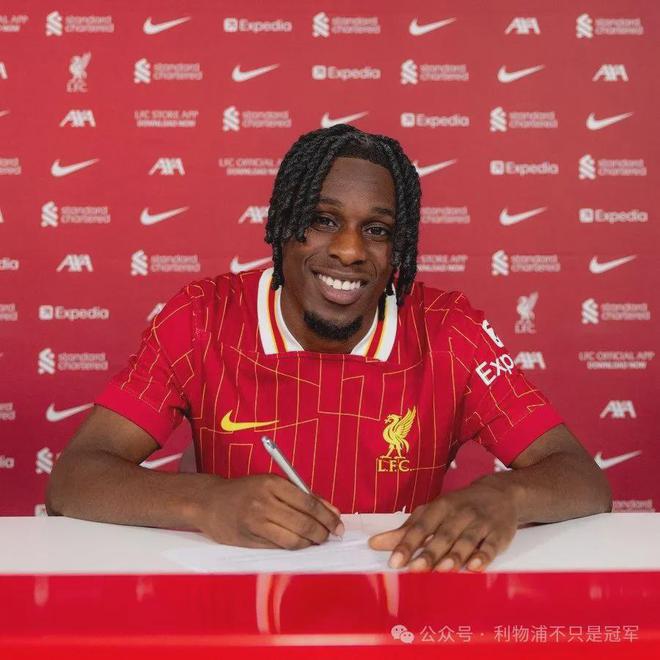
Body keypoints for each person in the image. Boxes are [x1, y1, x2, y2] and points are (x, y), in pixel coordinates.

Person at [47, 125, 611, 572]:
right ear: (281, 226)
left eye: (377, 230)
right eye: (322, 220)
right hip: (242, 612)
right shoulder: (202, 317)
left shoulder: (447, 330)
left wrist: (504, 497)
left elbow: (581, 478)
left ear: (399, 248)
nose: (349, 250)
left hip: (397, 609)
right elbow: (74, 479)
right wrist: (204, 502)